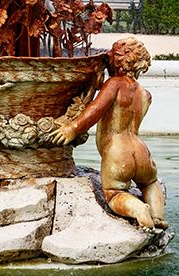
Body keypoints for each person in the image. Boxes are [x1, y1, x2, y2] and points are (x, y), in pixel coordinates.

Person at [52, 36, 167, 230]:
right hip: (141, 150)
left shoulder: (115, 84)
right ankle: (158, 216)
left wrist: (72, 128)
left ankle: (139, 210)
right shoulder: (144, 94)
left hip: (118, 151)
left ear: (119, 60)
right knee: (150, 182)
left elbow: (97, 109)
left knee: (113, 193)